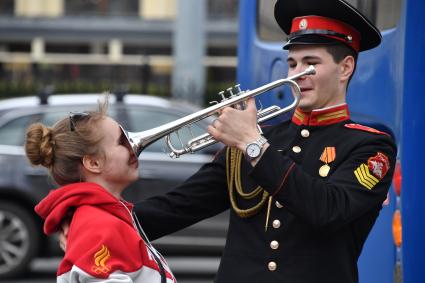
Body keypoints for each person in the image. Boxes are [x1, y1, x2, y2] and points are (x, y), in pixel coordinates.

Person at [59, 1, 396, 282]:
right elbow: (179, 207)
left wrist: (252, 144)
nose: (296, 74)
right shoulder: (263, 137)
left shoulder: (371, 147)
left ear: (345, 67)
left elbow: (328, 210)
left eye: (311, 64)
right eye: (292, 63)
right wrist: (92, 224)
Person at [26, 99, 176, 282]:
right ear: (93, 163)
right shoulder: (98, 225)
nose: (133, 146)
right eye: (122, 141)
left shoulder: (106, 217)